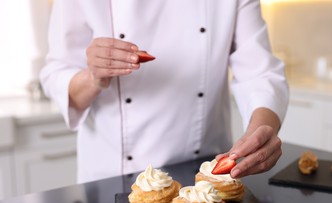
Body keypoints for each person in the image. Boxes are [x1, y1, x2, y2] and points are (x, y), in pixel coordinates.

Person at [40, 0, 289, 184]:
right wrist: (93, 76)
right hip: (112, 177)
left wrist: (260, 135)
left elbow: (261, 73)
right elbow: (56, 74)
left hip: (206, 173)